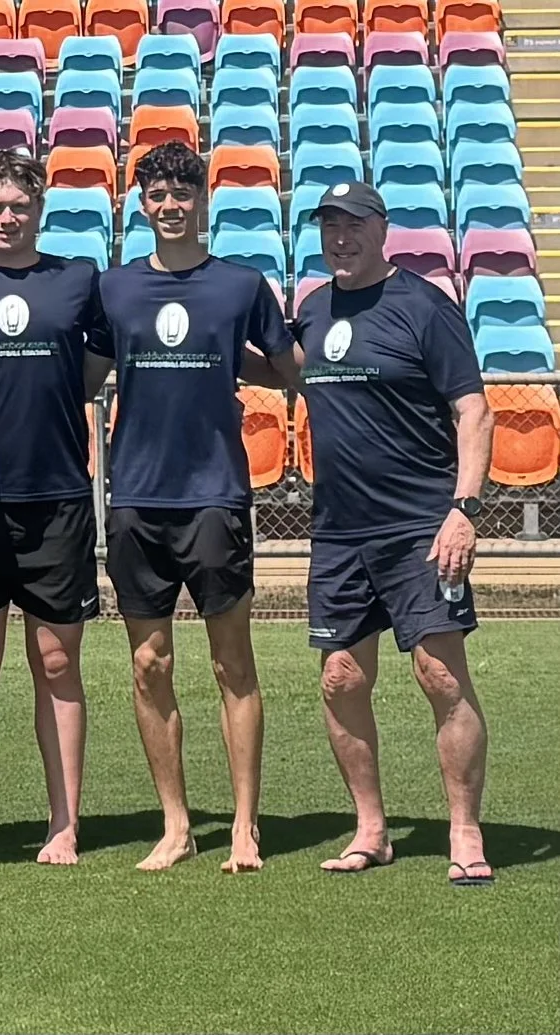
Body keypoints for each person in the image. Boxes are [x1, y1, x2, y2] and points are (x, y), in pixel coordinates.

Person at [91, 142, 301, 873]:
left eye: (183, 193)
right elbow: (80, 376)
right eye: (157, 194)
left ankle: (244, 825)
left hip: (215, 495)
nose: (171, 205)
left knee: (231, 662)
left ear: (202, 200)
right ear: (140, 203)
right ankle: (176, 825)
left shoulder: (241, 286)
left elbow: (292, 371)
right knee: (149, 664)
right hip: (136, 499)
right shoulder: (114, 289)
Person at [292, 182, 496, 886]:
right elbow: (286, 374)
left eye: (353, 224)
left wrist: (464, 509)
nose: (340, 237)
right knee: (340, 678)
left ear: (382, 229)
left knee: (440, 675)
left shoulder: (425, 307)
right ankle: (371, 829)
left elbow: (474, 412)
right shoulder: (313, 309)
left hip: (421, 528)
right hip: (338, 532)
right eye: (329, 225)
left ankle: (464, 830)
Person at [0, 151, 113, 868]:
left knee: (57, 661)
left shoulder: (78, 281)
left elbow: (93, 371)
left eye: (19, 206)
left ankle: (64, 823)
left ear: (39, 209)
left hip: (57, 501)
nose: (7, 218)